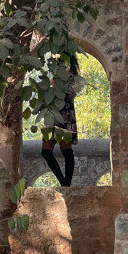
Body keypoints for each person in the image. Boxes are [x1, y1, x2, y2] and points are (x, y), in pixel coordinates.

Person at [40, 56, 79, 187]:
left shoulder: (70, 81)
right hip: (53, 116)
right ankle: (64, 182)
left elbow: (68, 98)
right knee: (46, 151)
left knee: (66, 149)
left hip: (65, 116)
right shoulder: (56, 80)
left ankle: (66, 184)